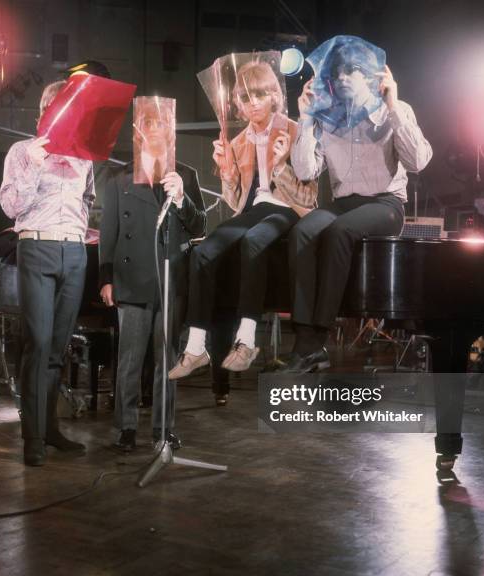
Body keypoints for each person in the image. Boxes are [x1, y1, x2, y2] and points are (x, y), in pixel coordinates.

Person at [285, 36, 433, 372]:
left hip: (386, 204)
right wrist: (305, 119)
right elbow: (306, 171)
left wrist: (394, 107)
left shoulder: (396, 109)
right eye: (337, 72)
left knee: (340, 230)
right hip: (344, 202)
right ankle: (305, 337)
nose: (341, 78)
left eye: (351, 71)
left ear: (370, 75)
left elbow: (419, 162)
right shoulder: (328, 116)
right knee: (303, 231)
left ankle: (317, 337)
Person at [168, 60, 317, 379]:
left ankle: (246, 339)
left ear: (274, 96)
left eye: (259, 95)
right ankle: (196, 348)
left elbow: (308, 198)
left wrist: (280, 166)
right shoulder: (237, 142)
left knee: (254, 239)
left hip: (287, 209)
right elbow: (236, 202)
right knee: (204, 251)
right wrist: (225, 170)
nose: (252, 104)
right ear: (238, 103)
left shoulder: (295, 131)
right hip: (254, 213)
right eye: (245, 98)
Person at [99, 97, 206, 452]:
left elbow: (199, 226)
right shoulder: (119, 178)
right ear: (139, 131)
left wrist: (181, 200)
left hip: (171, 279)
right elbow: (109, 233)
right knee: (129, 360)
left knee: (168, 360)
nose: (157, 131)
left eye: (164, 125)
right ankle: (125, 428)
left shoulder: (184, 175)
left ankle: (163, 428)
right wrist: (105, 278)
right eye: (151, 125)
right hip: (131, 280)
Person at [0, 80, 95, 466]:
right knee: (37, 343)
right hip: (36, 246)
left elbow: (88, 199)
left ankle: (50, 426)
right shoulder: (22, 151)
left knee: (58, 346)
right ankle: (32, 435)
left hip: (74, 250)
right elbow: (10, 205)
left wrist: (79, 232)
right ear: (44, 111)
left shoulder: (85, 156)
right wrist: (34, 168)